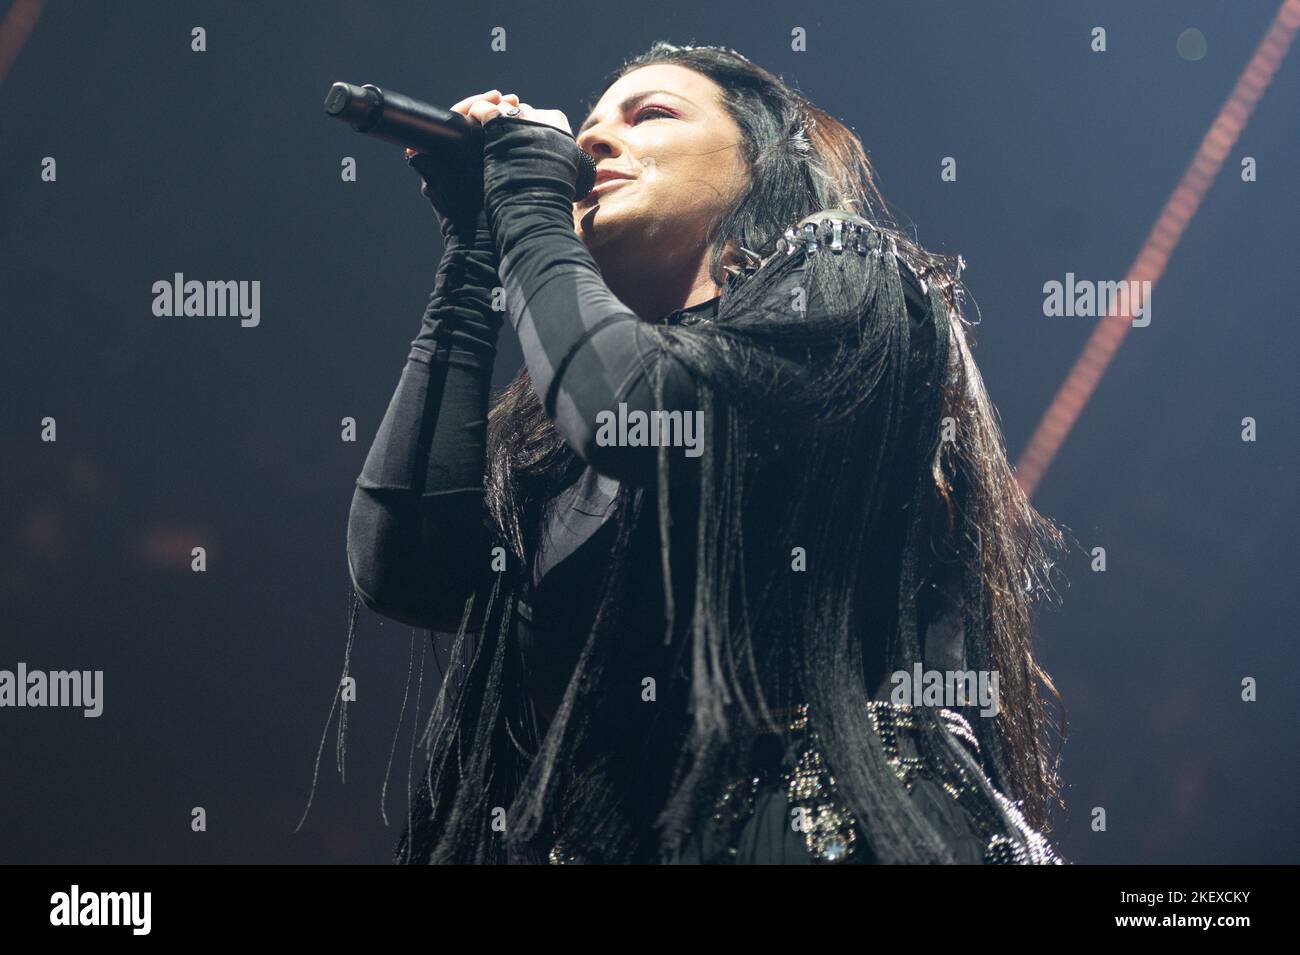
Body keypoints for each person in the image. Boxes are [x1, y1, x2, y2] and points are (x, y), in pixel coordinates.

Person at [343, 42, 1068, 864]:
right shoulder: (558, 437)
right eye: (583, 132)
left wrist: (529, 203)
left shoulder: (849, 274)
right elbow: (403, 564)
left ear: (761, 164)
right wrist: (474, 257)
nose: (591, 145)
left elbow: (632, 413)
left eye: (649, 114)